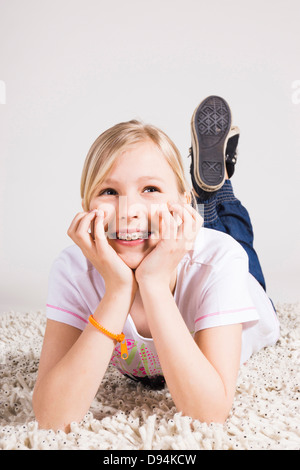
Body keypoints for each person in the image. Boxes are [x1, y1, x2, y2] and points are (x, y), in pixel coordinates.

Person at [32, 96, 280, 432]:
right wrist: (119, 289)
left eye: (150, 188)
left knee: (236, 237)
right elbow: (51, 417)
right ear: (86, 205)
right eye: (108, 191)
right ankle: (201, 194)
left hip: (242, 284)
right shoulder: (74, 269)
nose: (128, 209)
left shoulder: (220, 261)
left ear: (180, 200)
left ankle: (218, 192)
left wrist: (153, 284)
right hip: (171, 238)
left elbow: (209, 413)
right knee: (183, 235)